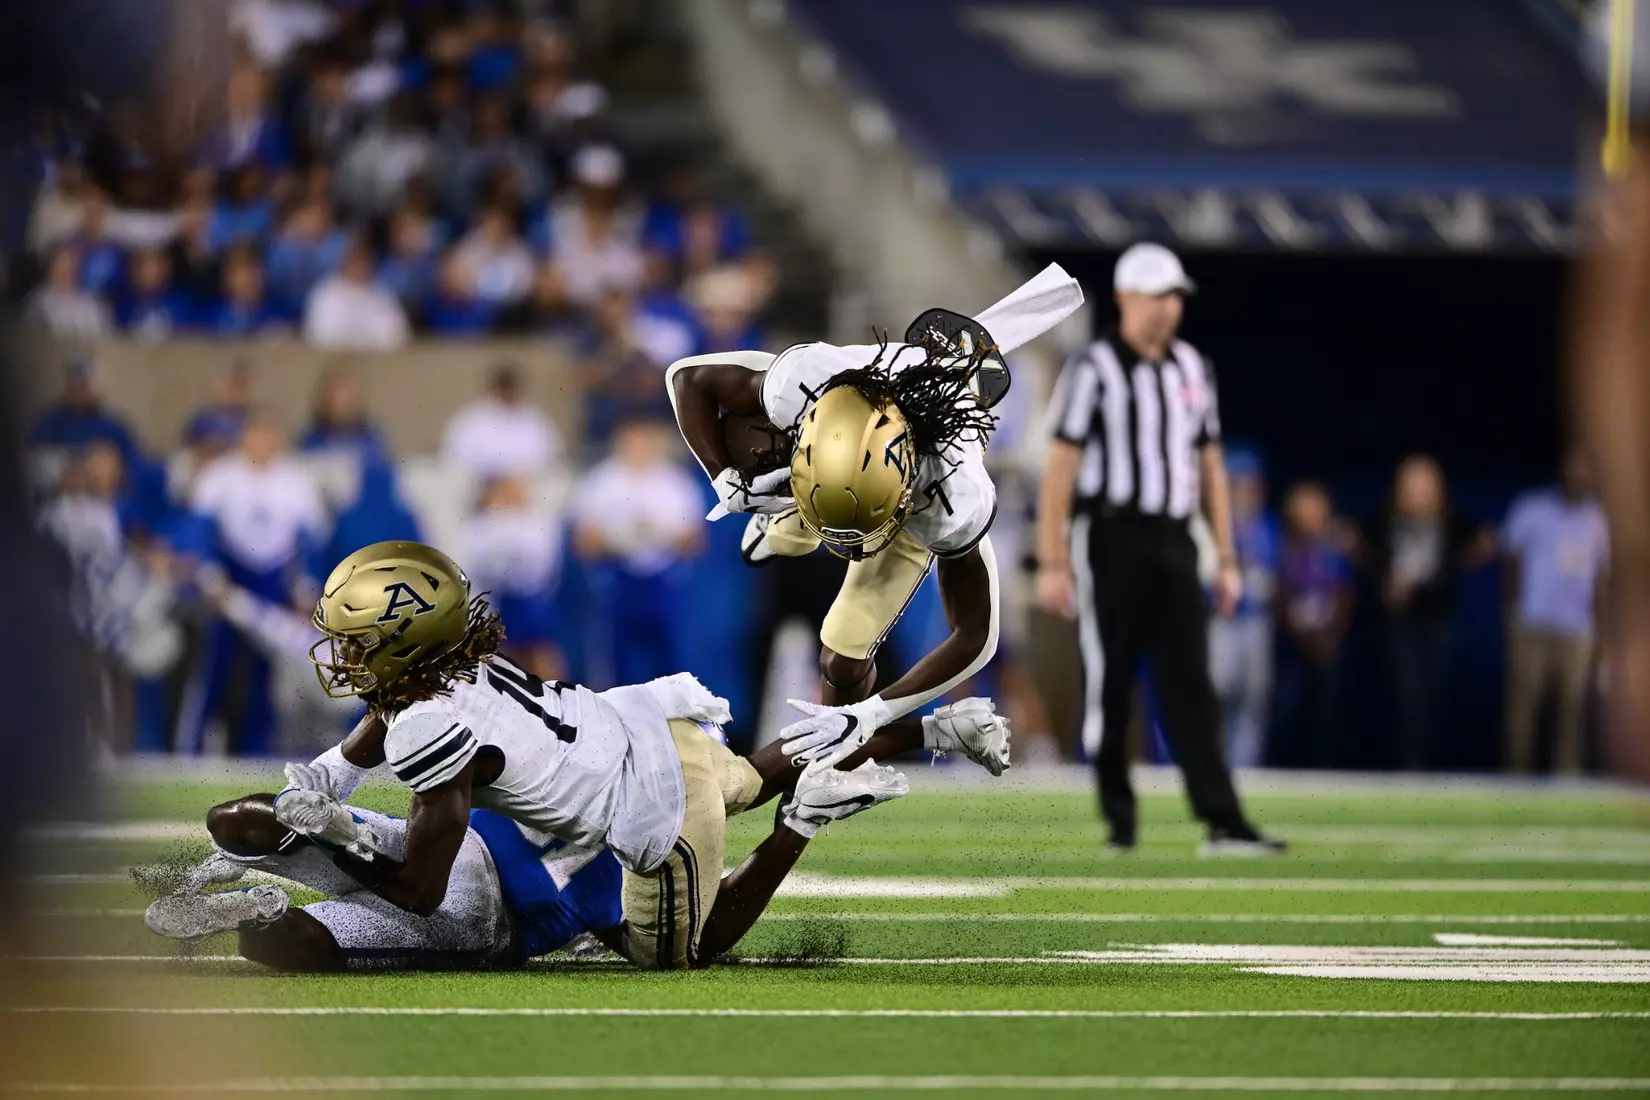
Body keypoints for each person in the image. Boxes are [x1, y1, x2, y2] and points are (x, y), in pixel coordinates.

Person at [259, 540, 1011, 970]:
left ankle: (803, 821)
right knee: (746, 776)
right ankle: (937, 730)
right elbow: (374, 728)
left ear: (405, 647)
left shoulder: (428, 724)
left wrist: (343, 832)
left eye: (359, 640)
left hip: (653, 805)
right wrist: (326, 779)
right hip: (648, 727)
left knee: (681, 955)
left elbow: (421, 891)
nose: (345, 653)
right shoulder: (457, 666)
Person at [667, 264, 1083, 772]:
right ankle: (785, 521)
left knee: (841, 651)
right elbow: (687, 378)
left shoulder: (954, 491)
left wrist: (874, 712)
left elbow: (977, 636)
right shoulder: (803, 384)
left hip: (908, 503)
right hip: (820, 468)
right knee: (766, 480)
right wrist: (723, 477)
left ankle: (786, 527)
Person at [1034, 244, 1280, 853]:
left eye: (1176, 297)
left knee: (1192, 683)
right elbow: (1060, 468)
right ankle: (1119, 819)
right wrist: (1052, 560)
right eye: (1158, 295)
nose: (1170, 309)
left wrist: (1225, 556)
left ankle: (1222, 820)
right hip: (1110, 536)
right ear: (1125, 298)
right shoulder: (1093, 370)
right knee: (1111, 680)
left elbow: (1210, 465)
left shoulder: (1192, 368)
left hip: (1174, 538)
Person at [147, 800, 620, 972]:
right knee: (291, 945)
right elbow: (654, 942)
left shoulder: (565, 769)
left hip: (442, 845)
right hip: (482, 917)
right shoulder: (641, 856)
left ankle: (234, 855)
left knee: (236, 819)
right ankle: (256, 912)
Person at [179, 412, 327, 755]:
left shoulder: (296, 481)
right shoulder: (220, 476)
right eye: (255, 433)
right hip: (231, 581)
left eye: (268, 434)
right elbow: (200, 530)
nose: (261, 442)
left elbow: (310, 542)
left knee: (264, 675)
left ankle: (255, 751)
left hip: (273, 586)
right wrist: (209, 573)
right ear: (244, 437)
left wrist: (306, 586)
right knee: (215, 666)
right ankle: (191, 749)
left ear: (279, 439)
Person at [1367, 455, 1493, 770]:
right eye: (1411, 483)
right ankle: (1408, 761)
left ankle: (1429, 761)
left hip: (1439, 617)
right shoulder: (1386, 519)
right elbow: (1363, 549)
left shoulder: (1450, 519)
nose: (1418, 491)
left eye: (1424, 483)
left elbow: (1482, 541)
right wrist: (1386, 583)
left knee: (1435, 693)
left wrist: (1473, 555)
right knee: (1405, 692)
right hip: (1400, 621)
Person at [1501, 448, 1610, 774]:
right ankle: (1516, 776)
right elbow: (1511, 561)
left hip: (1578, 628)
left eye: (1585, 470)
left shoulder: (1599, 517)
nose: (1578, 476)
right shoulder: (1531, 508)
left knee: (1572, 709)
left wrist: (1601, 629)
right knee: (1524, 705)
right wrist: (1511, 612)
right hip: (1532, 622)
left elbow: (1602, 576)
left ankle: (1567, 778)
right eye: (1573, 468)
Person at [571, 419, 702, 686]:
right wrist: (620, 539)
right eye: (634, 440)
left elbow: (696, 541)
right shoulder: (601, 481)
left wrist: (661, 536)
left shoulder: (676, 482)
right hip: (618, 578)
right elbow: (583, 542)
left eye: (646, 440)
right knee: (614, 662)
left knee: (672, 663)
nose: (640, 447)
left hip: (662, 580)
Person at [1272, 481, 1356, 769]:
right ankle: (1280, 769)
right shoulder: (1283, 547)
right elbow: (1279, 596)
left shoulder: (1336, 548)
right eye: (1302, 508)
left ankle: (1325, 768)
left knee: (1327, 713)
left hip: (1328, 643)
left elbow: (1345, 595)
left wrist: (1330, 635)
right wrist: (1299, 635)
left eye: (1314, 508)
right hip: (1292, 645)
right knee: (1286, 711)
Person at [1207, 448, 1277, 770]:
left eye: (1251, 485)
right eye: (1238, 485)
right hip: (1224, 621)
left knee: (1254, 698)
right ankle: (1216, 764)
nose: (1245, 492)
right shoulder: (1214, 528)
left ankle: (1246, 765)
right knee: (1218, 695)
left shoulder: (1267, 527)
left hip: (1257, 622)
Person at [463, 474, 564, 683]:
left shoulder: (537, 522)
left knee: (539, 651)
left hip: (530, 597)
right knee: (500, 655)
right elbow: (476, 566)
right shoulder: (482, 525)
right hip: (497, 598)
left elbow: (546, 566)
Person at [441, 363, 562, 479]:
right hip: (481, 489)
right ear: (494, 388)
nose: (508, 392)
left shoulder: (536, 420)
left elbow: (548, 460)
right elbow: (456, 461)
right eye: (504, 387)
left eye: (512, 388)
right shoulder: (470, 420)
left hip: (525, 488)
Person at [303, 235, 410, 351]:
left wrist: (359, 340)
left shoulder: (382, 294)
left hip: (377, 362)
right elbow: (321, 336)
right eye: (355, 261)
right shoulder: (325, 293)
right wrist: (367, 339)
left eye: (365, 261)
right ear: (345, 262)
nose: (360, 266)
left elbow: (398, 335)